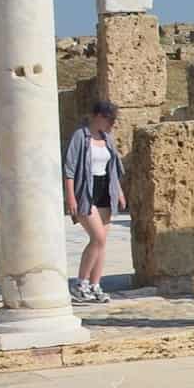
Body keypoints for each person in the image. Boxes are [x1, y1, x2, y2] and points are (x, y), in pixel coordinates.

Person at [62, 100, 126, 306]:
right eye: (110, 119)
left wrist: (120, 192)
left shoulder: (108, 138)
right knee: (97, 238)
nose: (112, 124)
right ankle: (80, 284)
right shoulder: (80, 137)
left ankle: (95, 285)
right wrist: (70, 196)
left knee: (102, 243)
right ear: (98, 116)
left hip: (105, 191)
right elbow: (69, 169)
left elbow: (114, 167)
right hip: (85, 192)